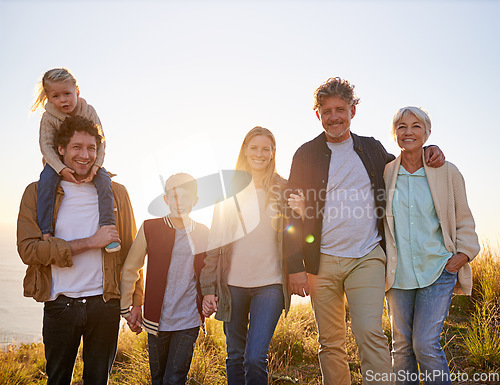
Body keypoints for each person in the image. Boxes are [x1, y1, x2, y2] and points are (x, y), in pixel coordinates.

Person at [285, 77, 445, 385]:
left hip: (367, 257)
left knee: (370, 333)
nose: (334, 116)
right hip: (321, 262)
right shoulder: (305, 155)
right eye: (326, 110)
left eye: (340, 109)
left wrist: (431, 149)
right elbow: (290, 214)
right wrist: (295, 268)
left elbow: (405, 164)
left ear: (352, 111)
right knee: (330, 342)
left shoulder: (371, 149)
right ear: (318, 114)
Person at [17, 115, 142, 385]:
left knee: (99, 380)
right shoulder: (38, 193)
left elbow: (132, 255)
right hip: (60, 305)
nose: (85, 155)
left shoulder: (116, 193)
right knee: (58, 379)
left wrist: (136, 302)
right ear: (60, 149)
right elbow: (28, 250)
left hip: (105, 304)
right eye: (77, 147)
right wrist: (90, 242)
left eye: (91, 148)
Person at [383, 106, 480, 385]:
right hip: (398, 274)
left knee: (425, 344)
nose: (409, 131)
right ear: (395, 134)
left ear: (427, 133)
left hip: (438, 269)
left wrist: (461, 256)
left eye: (416, 126)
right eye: (402, 126)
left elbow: (464, 218)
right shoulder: (386, 173)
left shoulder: (447, 172)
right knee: (401, 348)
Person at [200, 126, 290, 385]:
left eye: (266, 149)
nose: (259, 154)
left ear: (273, 153)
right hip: (232, 287)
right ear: (245, 151)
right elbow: (215, 242)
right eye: (254, 148)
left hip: (271, 285)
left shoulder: (284, 189)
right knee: (235, 355)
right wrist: (208, 289)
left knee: (254, 357)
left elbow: (298, 233)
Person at [120, 173, 209, 385]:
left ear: (195, 202)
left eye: (186, 197)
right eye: (175, 196)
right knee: (158, 379)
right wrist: (129, 307)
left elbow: (210, 271)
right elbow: (132, 268)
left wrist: (210, 298)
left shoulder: (204, 232)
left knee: (174, 379)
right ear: (166, 199)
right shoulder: (150, 228)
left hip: (189, 319)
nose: (180, 202)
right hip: (156, 320)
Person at [31, 68, 119, 252]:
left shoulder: (89, 111)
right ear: (48, 97)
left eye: (67, 94)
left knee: (104, 180)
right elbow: (46, 146)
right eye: (56, 96)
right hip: (56, 163)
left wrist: (96, 166)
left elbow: (100, 142)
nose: (63, 99)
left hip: (89, 165)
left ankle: (108, 228)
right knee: (46, 182)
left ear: (77, 91)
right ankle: (46, 232)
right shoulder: (48, 117)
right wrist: (61, 169)